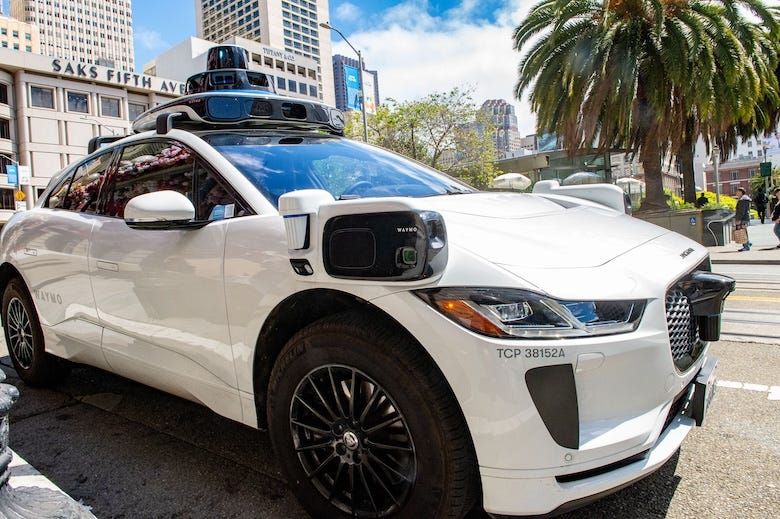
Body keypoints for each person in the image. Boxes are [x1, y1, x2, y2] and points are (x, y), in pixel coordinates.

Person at [734, 187, 752, 251]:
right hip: (745, 218)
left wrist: (738, 219)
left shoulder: (743, 200)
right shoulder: (745, 199)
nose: (736, 193)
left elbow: (741, 211)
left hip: (743, 218)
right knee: (744, 232)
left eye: (737, 192)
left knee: (742, 232)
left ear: (741, 192)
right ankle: (748, 244)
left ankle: (746, 246)